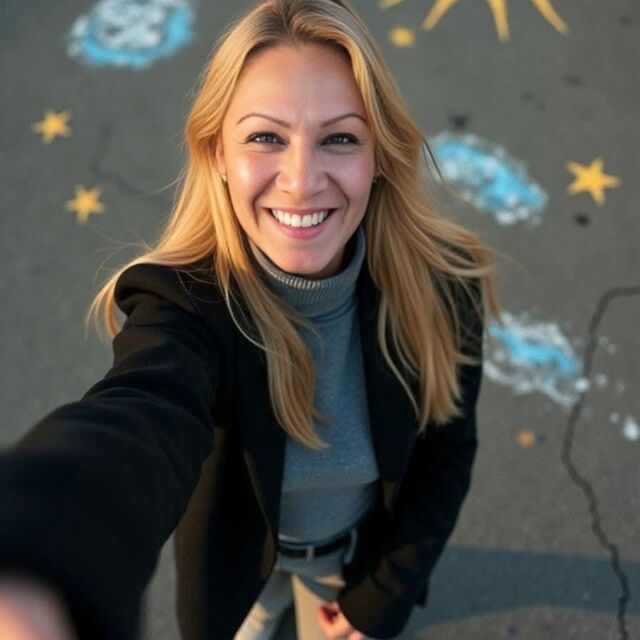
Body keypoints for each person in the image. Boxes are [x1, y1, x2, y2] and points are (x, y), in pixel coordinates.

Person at [0, 0, 503, 638]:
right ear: (216, 153)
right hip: (242, 568)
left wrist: (381, 595)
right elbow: (135, 422)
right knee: (254, 606)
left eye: (340, 137)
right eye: (266, 137)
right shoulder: (183, 308)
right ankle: (263, 604)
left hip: (354, 560)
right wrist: (32, 558)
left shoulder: (442, 285)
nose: (301, 180)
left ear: (380, 155)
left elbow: (447, 454)